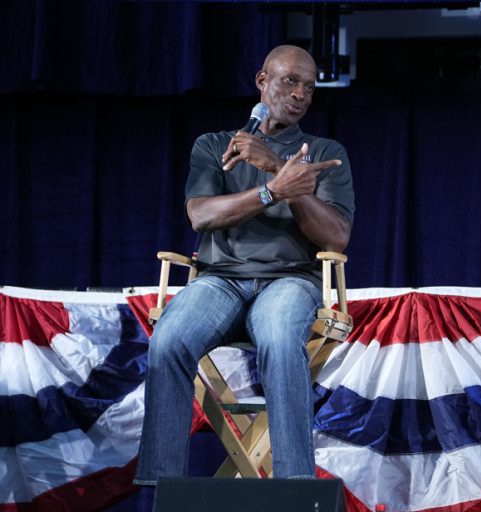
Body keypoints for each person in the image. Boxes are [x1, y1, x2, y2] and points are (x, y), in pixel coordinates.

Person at [134, 45, 354, 484]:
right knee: (169, 340)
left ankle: (295, 488)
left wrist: (277, 168)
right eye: (290, 81)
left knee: (278, 337)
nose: (300, 94)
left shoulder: (326, 152)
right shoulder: (216, 145)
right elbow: (201, 215)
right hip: (221, 281)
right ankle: (162, 486)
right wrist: (273, 189)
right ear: (262, 81)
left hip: (290, 281)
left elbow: (336, 237)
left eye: (309, 87)